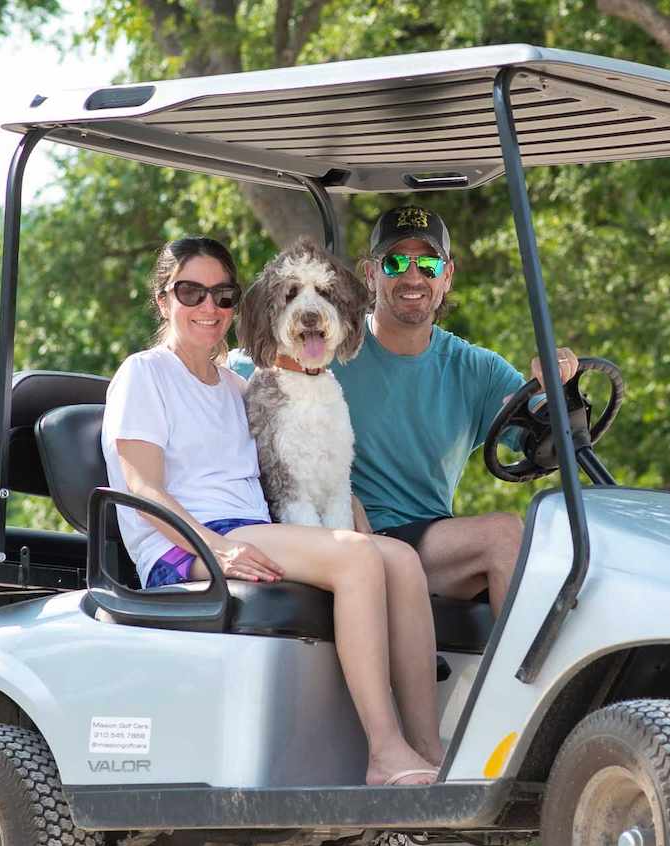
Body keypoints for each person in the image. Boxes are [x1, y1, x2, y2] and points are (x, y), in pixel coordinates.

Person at [102, 236, 444, 786]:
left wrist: (349, 501)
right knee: (357, 560)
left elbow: (294, 464)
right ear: (164, 300)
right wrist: (219, 549)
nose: (208, 307)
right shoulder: (144, 374)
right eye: (191, 292)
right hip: (185, 546)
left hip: (251, 532)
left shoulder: (236, 387)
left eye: (222, 295)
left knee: (400, 558)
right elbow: (143, 489)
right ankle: (384, 751)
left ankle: (427, 749)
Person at [243, 206, 576, 615]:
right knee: (504, 534)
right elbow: (236, 375)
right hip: (349, 533)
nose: (413, 277)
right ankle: (524, 679)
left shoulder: (476, 368)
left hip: (433, 542)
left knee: (565, 563)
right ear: (370, 274)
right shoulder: (323, 347)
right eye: (396, 262)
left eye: (429, 264)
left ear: (447, 275)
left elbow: (548, 441)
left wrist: (559, 391)